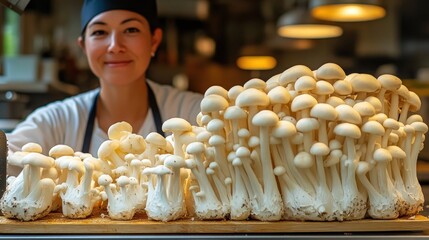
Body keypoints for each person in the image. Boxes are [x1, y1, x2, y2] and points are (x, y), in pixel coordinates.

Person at [6, 0, 203, 176]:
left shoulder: (191, 112)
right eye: (100, 32)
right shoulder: (59, 120)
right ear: (84, 47)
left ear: (154, 40)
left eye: (131, 30)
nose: (115, 46)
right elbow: (6, 157)